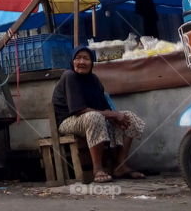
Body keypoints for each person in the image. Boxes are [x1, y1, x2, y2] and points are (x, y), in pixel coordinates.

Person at [52, 46, 146, 183]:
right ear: (72, 62)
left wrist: (115, 116)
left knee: (128, 117)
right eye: (77, 58)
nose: (81, 62)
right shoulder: (69, 76)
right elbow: (78, 109)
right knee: (95, 117)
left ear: (92, 63)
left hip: (90, 117)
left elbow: (105, 107)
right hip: (68, 121)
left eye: (86, 58)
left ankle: (120, 165)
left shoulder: (94, 79)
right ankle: (98, 168)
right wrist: (112, 115)